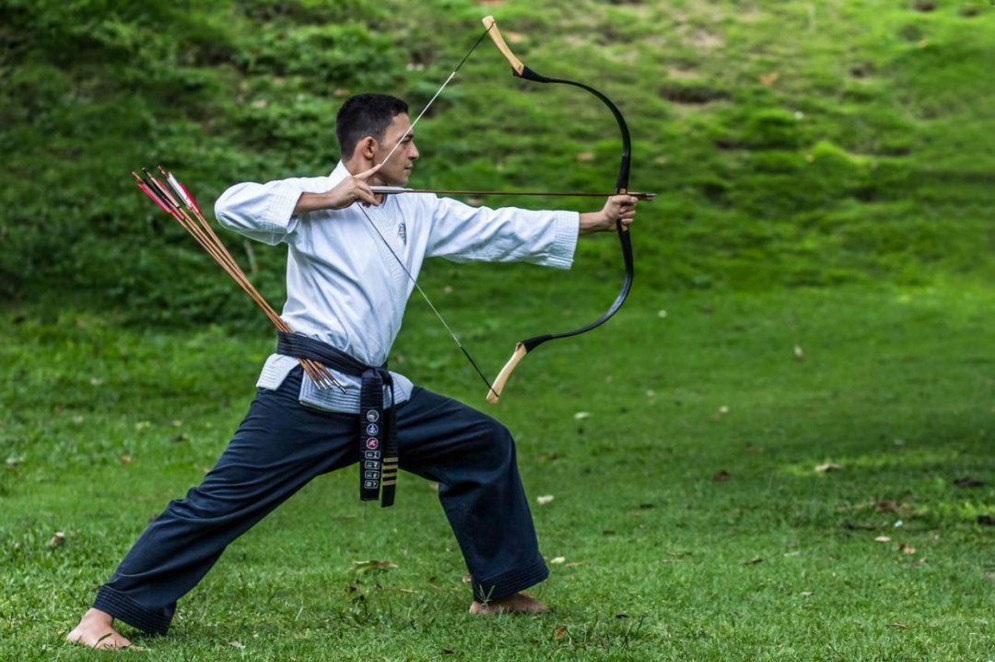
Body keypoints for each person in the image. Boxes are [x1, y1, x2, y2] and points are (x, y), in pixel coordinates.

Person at [68, 93, 637, 649]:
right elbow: (228, 206)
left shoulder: (419, 208)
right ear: (370, 147)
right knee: (221, 502)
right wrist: (325, 199)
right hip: (308, 391)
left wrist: (596, 220)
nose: (415, 152)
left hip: (375, 393)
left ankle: (497, 591)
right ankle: (101, 617)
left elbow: (498, 229)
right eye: (406, 140)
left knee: (482, 445)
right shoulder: (313, 198)